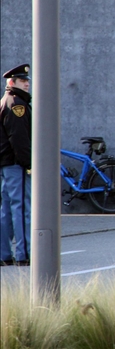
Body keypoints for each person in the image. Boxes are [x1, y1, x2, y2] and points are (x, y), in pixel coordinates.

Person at [0, 64, 32, 267]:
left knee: (7, 209)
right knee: (21, 208)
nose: (27, 84)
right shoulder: (17, 104)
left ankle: (4, 254)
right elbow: (19, 138)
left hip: (7, 164)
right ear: (12, 82)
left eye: (27, 80)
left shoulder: (7, 100)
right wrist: (29, 164)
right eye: (22, 80)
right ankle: (24, 253)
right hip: (15, 163)